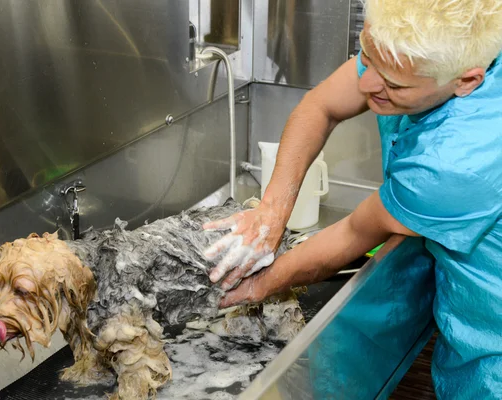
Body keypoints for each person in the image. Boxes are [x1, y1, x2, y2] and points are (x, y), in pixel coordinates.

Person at [203, 0, 502, 397]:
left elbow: (355, 232)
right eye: (365, 56)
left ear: (466, 81)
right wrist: (271, 213)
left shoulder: (453, 164)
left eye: (393, 85)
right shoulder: (412, 50)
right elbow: (322, 106)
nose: (365, 85)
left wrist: (255, 286)